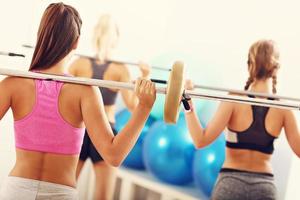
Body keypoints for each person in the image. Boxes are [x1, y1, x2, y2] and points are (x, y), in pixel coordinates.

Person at [0, 3, 156, 200]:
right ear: (76, 42)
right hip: (60, 194)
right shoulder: (86, 92)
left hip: (17, 191)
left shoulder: (12, 84)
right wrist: (144, 107)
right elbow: (114, 156)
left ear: (40, 36)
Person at [184, 39, 300, 200]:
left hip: (231, 184)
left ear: (249, 64)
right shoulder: (284, 110)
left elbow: (200, 140)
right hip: (264, 188)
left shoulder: (233, 100)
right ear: (276, 68)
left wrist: (186, 101)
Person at [68, 14, 150, 200]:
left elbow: (61, 95)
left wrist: (145, 75)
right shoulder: (119, 69)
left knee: (64, 192)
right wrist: (145, 76)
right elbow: (133, 106)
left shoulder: (78, 64)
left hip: (84, 132)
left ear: (95, 34)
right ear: (116, 38)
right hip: (102, 133)